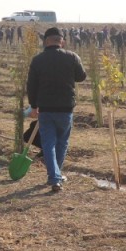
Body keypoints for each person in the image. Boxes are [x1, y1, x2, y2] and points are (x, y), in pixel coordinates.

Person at [26, 27, 87, 192]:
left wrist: (33, 106)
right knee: (62, 143)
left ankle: (55, 177)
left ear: (46, 41)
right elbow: (81, 76)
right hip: (66, 108)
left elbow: (31, 85)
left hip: (46, 109)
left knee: (48, 144)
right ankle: (56, 176)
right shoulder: (72, 57)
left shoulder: (38, 60)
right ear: (62, 41)